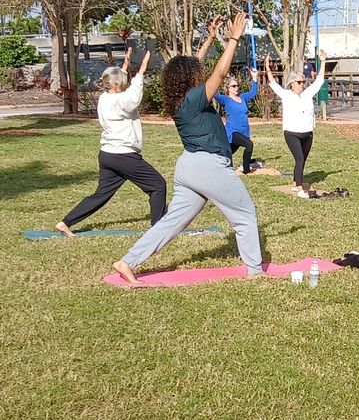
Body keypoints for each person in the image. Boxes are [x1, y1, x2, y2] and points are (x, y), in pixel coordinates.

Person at [112, 14, 262, 285]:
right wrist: (233, 39)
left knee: (172, 223)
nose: (200, 73)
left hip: (189, 167)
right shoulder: (195, 98)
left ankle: (128, 261)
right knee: (244, 215)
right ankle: (255, 271)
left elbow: (198, 66)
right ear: (189, 79)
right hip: (208, 166)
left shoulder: (183, 100)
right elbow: (218, 73)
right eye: (196, 73)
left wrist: (209, 38)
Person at [56, 50, 166, 237]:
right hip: (123, 155)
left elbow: (119, 79)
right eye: (121, 82)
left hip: (107, 155)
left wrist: (127, 60)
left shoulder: (105, 98)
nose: (124, 83)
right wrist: (141, 71)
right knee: (158, 185)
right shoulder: (121, 101)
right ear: (115, 84)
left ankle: (65, 222)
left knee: (102, 194)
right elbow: (133, 96)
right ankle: (158, 229)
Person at [265, 51, 327, 194]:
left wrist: (323, 61)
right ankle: (299, 187)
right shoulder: (286, 95)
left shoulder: (307, 94)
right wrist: (267, 67)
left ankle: (295, 180)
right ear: (291, 84)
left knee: (302, 160)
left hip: (307, 134)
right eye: (299, 82)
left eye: (303, 82)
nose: (302, 84)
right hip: (292, 133)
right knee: (299, 158)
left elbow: (319, 80)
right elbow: (273, 83)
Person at [215, 67, 260, 175]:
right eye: (234, 86)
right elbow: (214, 94)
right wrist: (217, 78)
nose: (236, 88)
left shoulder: (243, 97)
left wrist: (255, 78)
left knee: (228, 152)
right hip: (232, 132)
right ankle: (246, 169)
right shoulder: (225, 100)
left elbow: (253, 92)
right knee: (249, 145)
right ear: (228, 88)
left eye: (237, 86)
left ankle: (218, 166)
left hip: (244, 131)